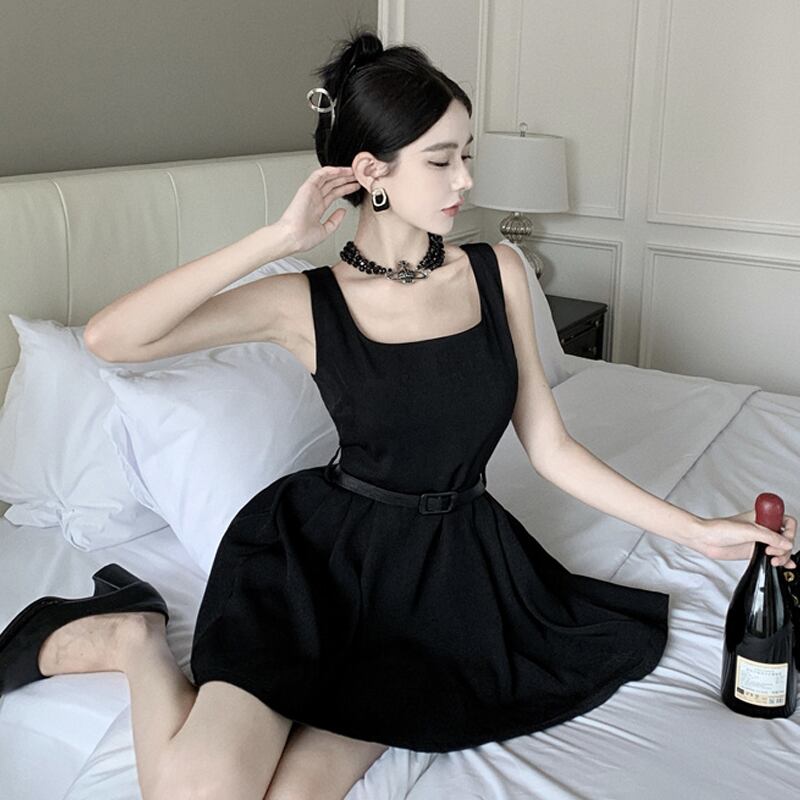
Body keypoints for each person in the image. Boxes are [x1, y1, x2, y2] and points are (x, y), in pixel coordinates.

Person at [0, 26, 797, 800]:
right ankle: (135, 637)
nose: (466, 181)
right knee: (200, 792)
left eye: (467, 155)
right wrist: (276, 238)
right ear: (371, 172)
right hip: (315, 565)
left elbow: (550, 446)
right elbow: (111, 340)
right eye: (442, 160)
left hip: (450, 576)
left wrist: (697, 532)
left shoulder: (497, 271)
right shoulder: (303, 301)